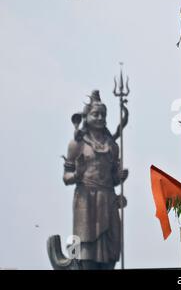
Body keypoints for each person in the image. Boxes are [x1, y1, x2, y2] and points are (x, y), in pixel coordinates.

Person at [63, 90, 128, 270]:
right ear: (86, 116)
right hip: (86, 200)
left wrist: (119, 178)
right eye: (95, 114)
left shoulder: (112, 146)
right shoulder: (77, 144)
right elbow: (66, 177)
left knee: (111, 251)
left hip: (108, 199)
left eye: (103, 114)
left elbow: (113, 178)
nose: (100, 117)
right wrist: (77, 175)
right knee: (87, 252)